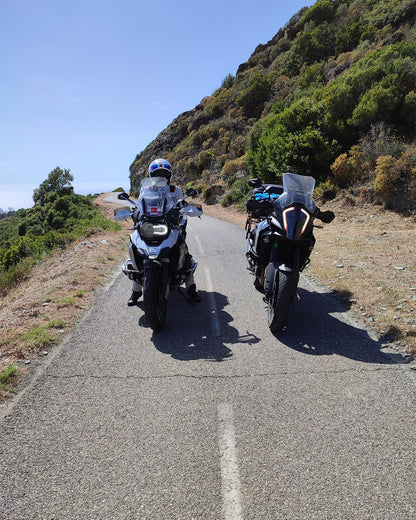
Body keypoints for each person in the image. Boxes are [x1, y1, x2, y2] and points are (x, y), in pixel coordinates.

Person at [127, 158, 201, 306]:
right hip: (150, 224)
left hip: (171, 226)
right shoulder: (146, 189)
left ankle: (191, 288)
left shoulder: (176, 190)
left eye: (164, 174)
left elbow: (183, 207)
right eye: (157, 174)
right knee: (137, 250)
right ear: (151, 175)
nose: (160, 177)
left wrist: (181, 224)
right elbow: (140, 205)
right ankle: (136, 291)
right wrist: (135, 213)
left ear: (169, 176)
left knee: (184, 254)